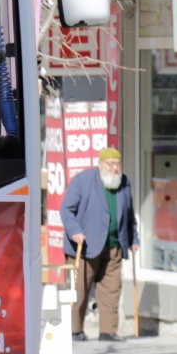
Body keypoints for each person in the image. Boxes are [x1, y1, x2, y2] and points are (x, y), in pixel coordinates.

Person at [61, 147, 140, 343]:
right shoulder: (83, 181)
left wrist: (133, 239)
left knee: (111, 290)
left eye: (118, 164)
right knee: (80, 289)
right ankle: (75, 330)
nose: (114, 169)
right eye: (110, 164)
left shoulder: (124, 183)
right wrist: (75, 231)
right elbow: (66, 209)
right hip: (86, 246)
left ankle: (108, 331)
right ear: (100, 165)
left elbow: (129, 216)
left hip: (114, 245)